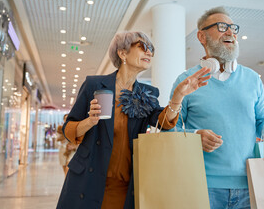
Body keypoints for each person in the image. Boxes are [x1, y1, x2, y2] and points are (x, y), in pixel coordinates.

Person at [56, 31, 211, 209]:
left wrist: (178, 97)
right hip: (88, 181)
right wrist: (89, 121)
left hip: (126, 186)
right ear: (122, 53)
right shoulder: (94, 85)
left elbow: (163, 122)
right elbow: (69, 128)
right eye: (143, 47)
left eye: (151, 49)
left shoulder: (147, 93)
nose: (149, 52)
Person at [169, 7, 264, 209]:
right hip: (202, 185)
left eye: (233, 28)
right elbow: (170, 130)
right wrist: (194, 136)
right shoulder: (186, 81)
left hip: (250, 183)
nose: (230, 33)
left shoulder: (252, 79)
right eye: (222, 27)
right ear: (202, 36)